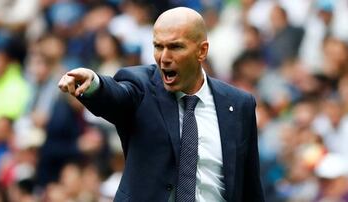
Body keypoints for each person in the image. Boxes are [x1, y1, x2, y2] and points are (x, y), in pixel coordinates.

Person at [58, 7, 264, 202]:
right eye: (158, 46)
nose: (164, 58)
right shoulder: (141, 86)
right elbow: (116, 96)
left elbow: (250, 187)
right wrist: (94, 84)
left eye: (175, 46)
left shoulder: (238, 105)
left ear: (202, 51)